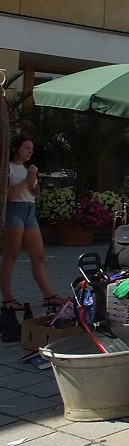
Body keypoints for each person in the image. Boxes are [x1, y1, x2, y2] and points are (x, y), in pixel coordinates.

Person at [3, 136, 63, 327]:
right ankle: (8, 298)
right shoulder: (8, 168)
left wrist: (32, 180)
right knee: (11, 255)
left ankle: (48, 295)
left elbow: (36, 193)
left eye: (31, 148)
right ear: (16, 148)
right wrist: (27, 181)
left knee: (39, 256)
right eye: (26, 148)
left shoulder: (27, 169)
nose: (30, 151)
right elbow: (8, 196)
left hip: (30, 211)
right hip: (14, 212)